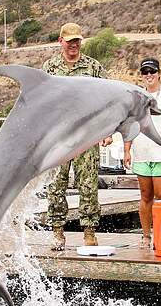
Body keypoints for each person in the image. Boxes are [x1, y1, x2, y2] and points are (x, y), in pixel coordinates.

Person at [42, 22, 113, 251]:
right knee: (56, 184)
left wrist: (107, 130)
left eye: (77, 41)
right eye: (69, 40)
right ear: (60, 41)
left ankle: (89, 231)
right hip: (58, 137)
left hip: (87, 135)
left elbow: (107, 99)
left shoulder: (93, 67)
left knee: (88, 183)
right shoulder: (50, 67)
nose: (74, 45)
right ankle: (57, 232)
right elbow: (41, 102)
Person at [123, 58, 161, 249]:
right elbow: (129, 126)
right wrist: (127, 150)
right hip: (142, 153)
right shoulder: (135, 98)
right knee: (145, 195)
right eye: (145, 72)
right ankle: (146, 235)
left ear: (159, 73)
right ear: (141, 76)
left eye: (152, 71)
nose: (149, 75)